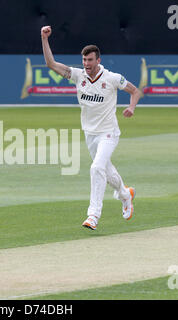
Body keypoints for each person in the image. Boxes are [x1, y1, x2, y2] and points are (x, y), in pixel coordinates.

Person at [41, 25, 141, 230]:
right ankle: (125, 194)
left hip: (109, 132)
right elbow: (50, 63)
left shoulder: (112, 78)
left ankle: (93, 215)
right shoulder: (78, 76)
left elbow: (135, 91)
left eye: (90, 60)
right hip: (90, 133)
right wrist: (44, 38)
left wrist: (131, 107)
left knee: (96, 168)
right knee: (105, 168)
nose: (86, 64)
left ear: (98, 61)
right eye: (84, 60)